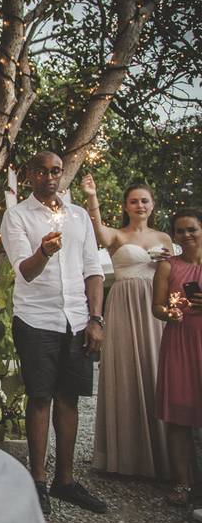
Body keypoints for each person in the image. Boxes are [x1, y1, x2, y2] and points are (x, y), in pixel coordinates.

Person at [0, 151, 107, 515]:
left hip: (76, 320)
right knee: (40, 398)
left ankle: (65, 481)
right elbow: (25, 271)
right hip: (35, 319)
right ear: (29, 175)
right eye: (42, 171)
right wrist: (44, 251)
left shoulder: (78, 216)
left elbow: (93, 269)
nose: (50, 177)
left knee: (69, 399)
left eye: (56, 171)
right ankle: (38, 481)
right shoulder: (16, 216)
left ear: (63, 174)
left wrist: (96, 319)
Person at [82, 175, 173, 479]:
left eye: (144, 200)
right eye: (134, 201)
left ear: (152, 204)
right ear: (125, 206)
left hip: (154, 308)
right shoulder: (117, 236)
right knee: (125, 371)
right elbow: (97, 230)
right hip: (123, 305)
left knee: (156, 370)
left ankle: (162, 456)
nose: (140, 205)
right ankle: (125, 458)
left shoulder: (164, 238)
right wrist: (92, 196)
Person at [152, 209, 202, 507]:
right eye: (180, 231)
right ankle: (183, 483)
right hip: (180, 342)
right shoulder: (168, 267)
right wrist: (171, 312)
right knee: (178, 416)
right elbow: (156, 307)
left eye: (192, 229)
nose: (186, 235)